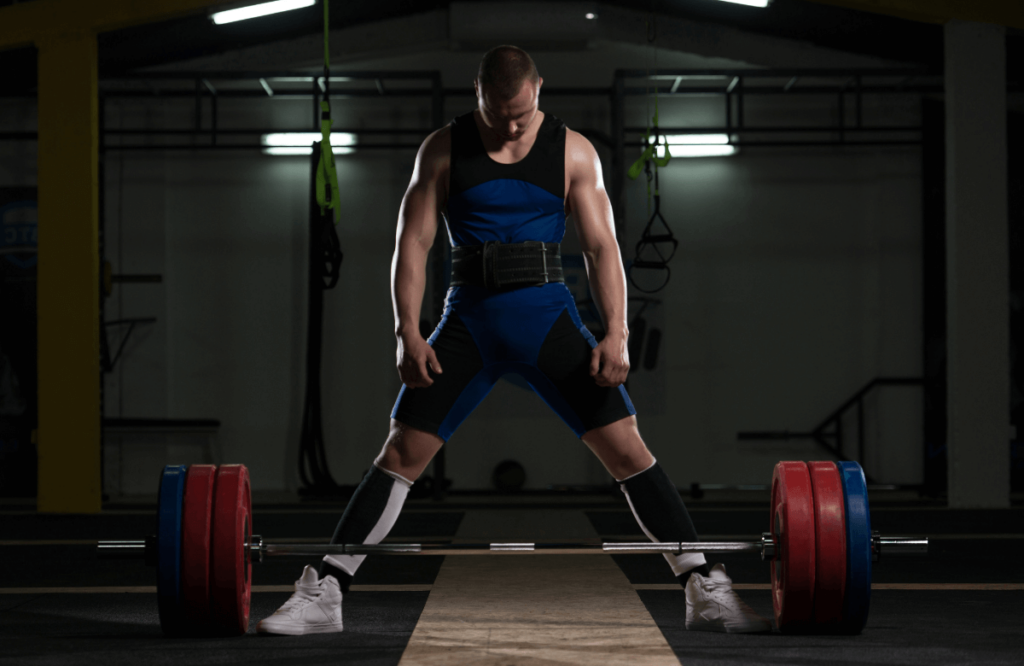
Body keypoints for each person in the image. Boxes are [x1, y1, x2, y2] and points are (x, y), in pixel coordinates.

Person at [257, 45, 770, 637]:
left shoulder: (573, 150)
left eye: (521, 115)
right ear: (478, 93)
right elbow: (414, 245)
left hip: (547, 320)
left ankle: (704, 589)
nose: (510, 126)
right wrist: (407, 330)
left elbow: (602, 248)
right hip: (468, 323)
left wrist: (617, 332)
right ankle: (325, 594)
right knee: (399, 455)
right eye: (499, 114)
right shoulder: (443, 148)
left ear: (539, 92)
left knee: (628, 449)